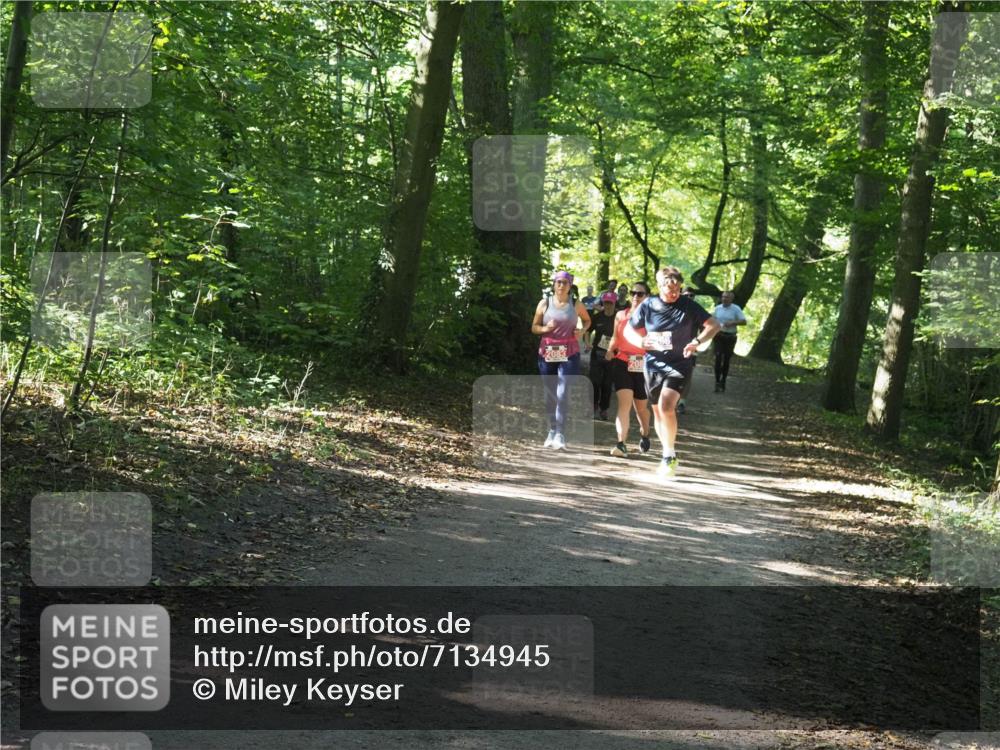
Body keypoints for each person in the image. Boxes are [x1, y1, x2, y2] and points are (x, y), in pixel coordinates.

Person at [624, 266, 721, 477]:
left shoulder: (688, 305)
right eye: (670, 288)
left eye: (677, 288)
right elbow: (628, 329)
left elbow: (714, 324)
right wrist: (641, 341)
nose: (674, 292)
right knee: (658, 412)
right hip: (653, 365)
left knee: (667, 407)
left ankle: (669, 455)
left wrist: (697, 341)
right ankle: (667, 453)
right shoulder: (648, 305)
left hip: (680, 364)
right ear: (659, 286)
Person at [532, 271, 591, 450]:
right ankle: (551, 429)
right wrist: (544, 328)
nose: (561, 285)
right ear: (553, 284)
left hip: (570, 351)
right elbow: (534, 327)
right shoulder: (544, 303)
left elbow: (588, 321)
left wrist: (581, 331)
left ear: (570, 285)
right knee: (550, 392)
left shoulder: (576, 304)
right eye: (558, 282)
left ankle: (560, 433)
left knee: (563, 391)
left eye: (565, 282)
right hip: (548, 351)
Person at [606, 281, 653, 458]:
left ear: (647, 297)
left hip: (643, 365)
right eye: (633, 293)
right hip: (622, 362)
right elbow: (615, 337)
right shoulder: (621, 315)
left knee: (641, 408)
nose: (635, 296)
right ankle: (621, 443)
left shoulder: (652, 318)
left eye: (640, 294)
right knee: (624, 405)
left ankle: (645, 433)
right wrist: (610, 350)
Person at [587, 292, 618, 420]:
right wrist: (588, 343)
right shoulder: (597, 317)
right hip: (597, 354)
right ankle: (594, 406)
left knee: (607, 384)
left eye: (610, 303)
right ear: (602, 303)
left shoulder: (618, 318)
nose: (608, 305)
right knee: (595, 381)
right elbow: (588, 331)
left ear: (614, 303)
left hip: (613, 355)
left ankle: (604, 408)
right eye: (605, 303)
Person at [712, 290, 747, 393]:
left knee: (726, 359)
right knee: (718, 358)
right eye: (723, 297)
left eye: (727, 297)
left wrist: (733, 322)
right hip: (719, 335)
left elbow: (744, 321)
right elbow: (712, 319)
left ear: (731, 299)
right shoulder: (717, 308)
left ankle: (723, 381)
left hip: (730, 337)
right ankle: (717, 382)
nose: (724, 299)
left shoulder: (736, 309)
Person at [676, 286, 699, 415]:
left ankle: (682, 402)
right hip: (672, 347)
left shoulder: (697, 311)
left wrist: (698, 343)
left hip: (690, 347)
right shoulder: (673, 308)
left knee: (688, 375)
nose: (689, 298)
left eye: (691, 296)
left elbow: (706, 327)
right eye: (686, 295)